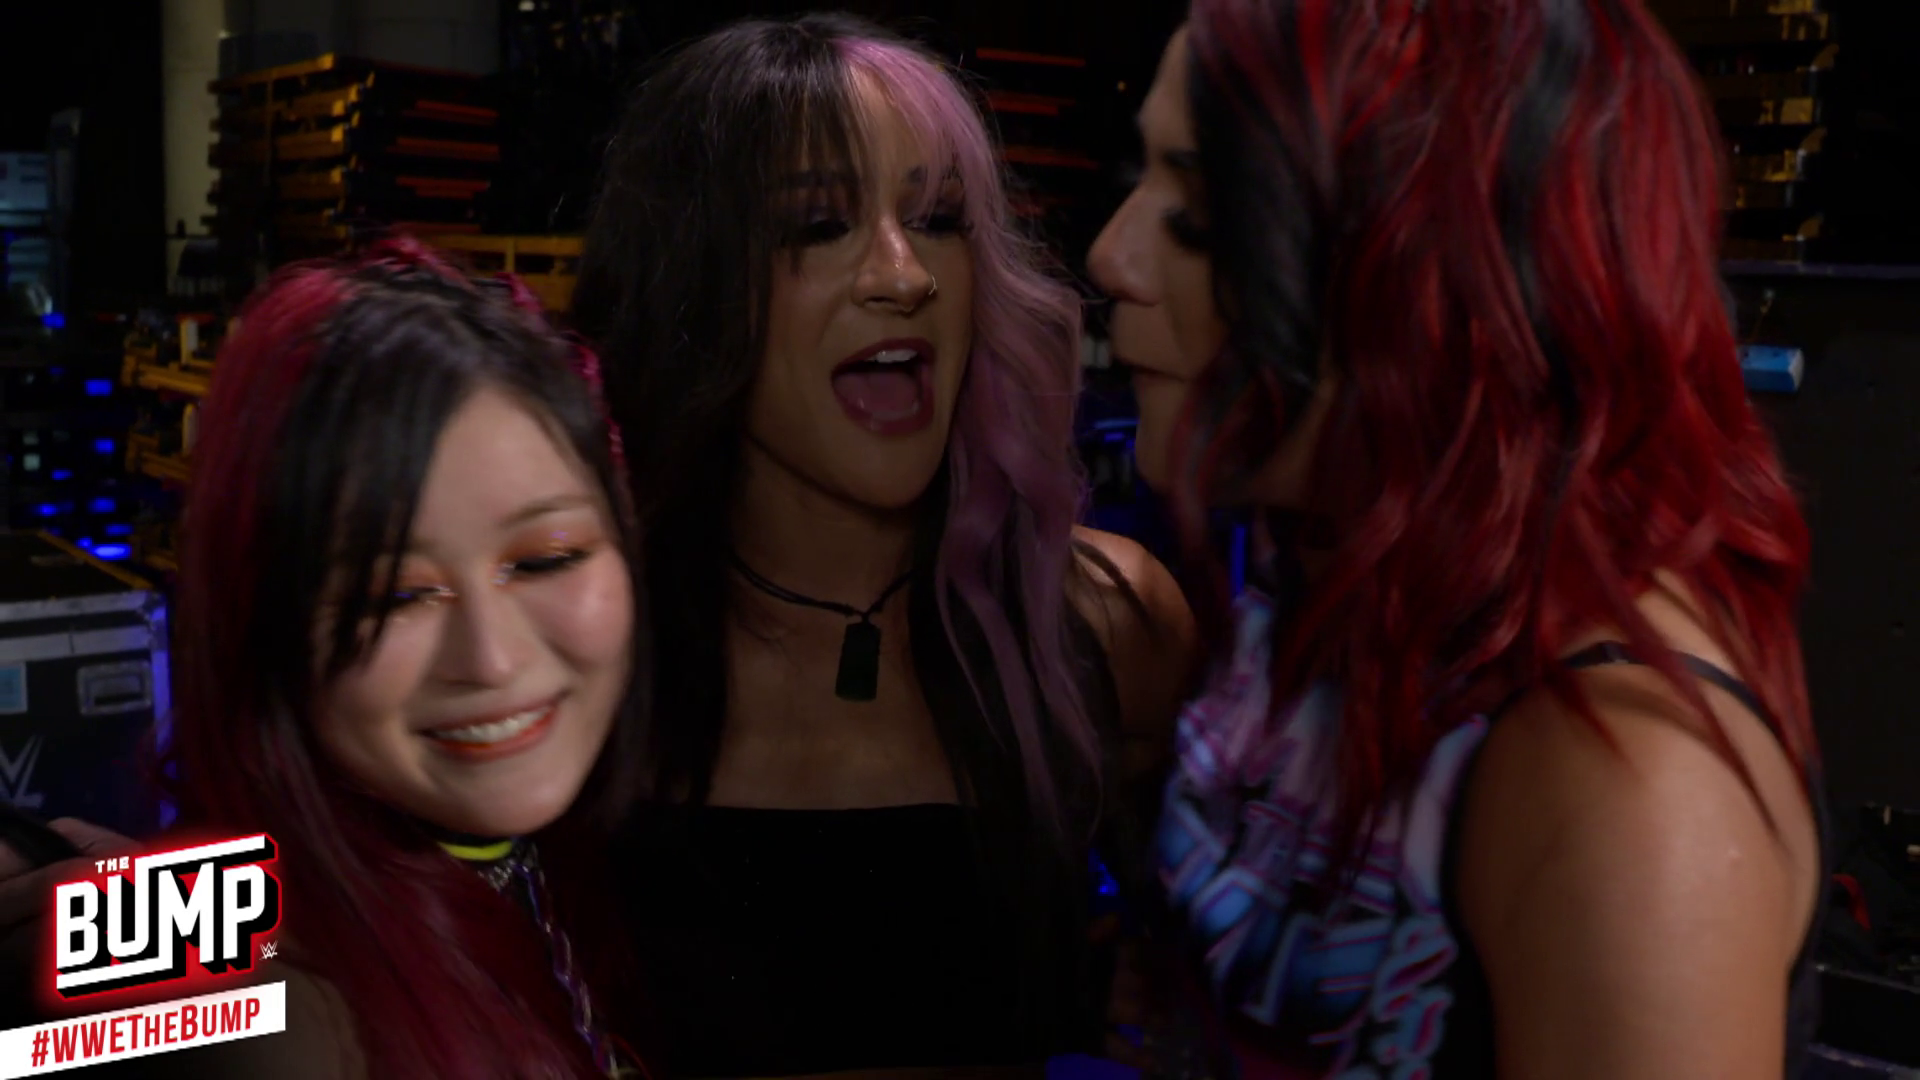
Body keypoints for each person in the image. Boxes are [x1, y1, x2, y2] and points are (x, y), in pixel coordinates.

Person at [1088, 1, 1826, 1078]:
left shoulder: (1617, 790)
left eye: (1198, 210)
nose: (1112, 257)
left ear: (1423, 267)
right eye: (1142, 182)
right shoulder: (1322, 571)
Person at [573, 13, 1195, 1077]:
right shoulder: (579, 651)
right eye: (818, 225)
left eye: (939, 219)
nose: (904, 276)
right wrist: (272, 1022)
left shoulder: (1106, 621)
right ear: (692, 286)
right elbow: (264, 935)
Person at [1, 242, 648, 1079]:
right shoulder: (278, 1016)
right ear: (267, 620)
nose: (491, 658)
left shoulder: (555, 851)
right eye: (394, 595)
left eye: (546, 558)